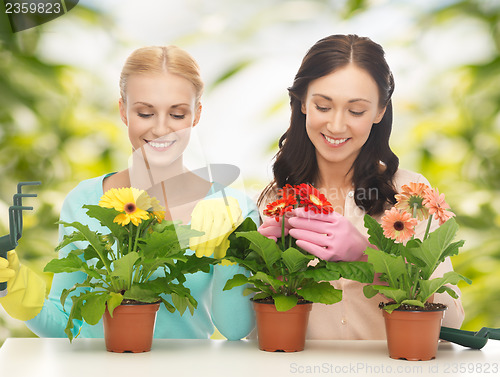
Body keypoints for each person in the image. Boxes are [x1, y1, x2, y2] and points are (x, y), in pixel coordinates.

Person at [0, 45, 257, 340]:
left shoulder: (232, 208)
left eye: (177, 114)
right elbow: (66, 324)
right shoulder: (85, 201)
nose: (161, 129)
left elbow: (235, 331)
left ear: (196, 115)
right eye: (145, 112)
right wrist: (15, 290)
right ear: (123, 110)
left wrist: (229, 253)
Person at [257, 34, 465, 340]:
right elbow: (251, 332)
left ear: (380, 112)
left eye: (356, 111)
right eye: (323, 107)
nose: (337, 126)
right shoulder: (273, 200)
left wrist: (367, 257)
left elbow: (451, 320)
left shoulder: (412, 193)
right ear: (303, 104)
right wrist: (262, 264)